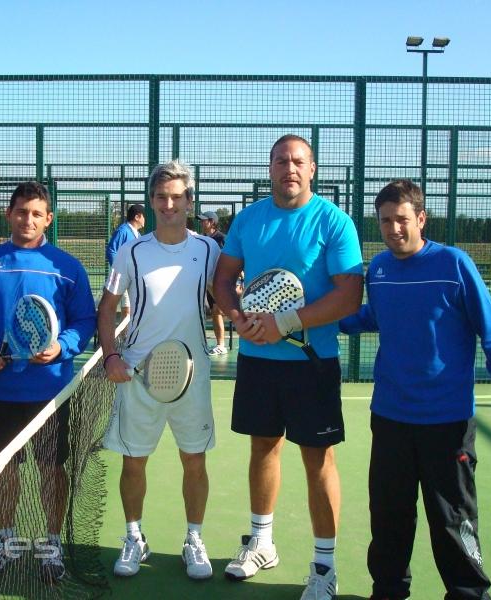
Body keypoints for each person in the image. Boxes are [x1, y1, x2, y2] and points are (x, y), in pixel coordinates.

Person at [339, 179, 491, 600]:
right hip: (389, 418)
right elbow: (374, 317)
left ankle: (468, 593)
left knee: (452, 517)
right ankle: (388, 591)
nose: (393, 229)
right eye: (385, 221)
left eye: (402, 220)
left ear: (421, 219)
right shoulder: (380, 270)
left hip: (446, 421)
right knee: (388, 515)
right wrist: (327, 318)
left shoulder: (455, 265)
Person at [213, 134, 363, 599]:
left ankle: (323, 567)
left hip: (312, 364)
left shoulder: (334, 223)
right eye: (281, 161)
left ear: (312, 169)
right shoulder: (249, 220)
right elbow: (223, 278)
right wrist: (237, 317)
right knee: (263, 447)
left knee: (319, 460)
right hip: (258, 362)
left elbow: (348, 294)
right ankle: (261, 543)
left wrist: (287, 321)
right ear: (270, 168)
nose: (289, 169)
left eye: (298, 161)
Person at [97, 160, 220, 580]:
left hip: (193, 377)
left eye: (177, 197)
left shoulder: (208, 249)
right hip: (137, 377)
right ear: (151, 202)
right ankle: (134, 537)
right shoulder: (131, 250)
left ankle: (194, 539)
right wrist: (112, 356)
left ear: (190, 200)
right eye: (161, 197)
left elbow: (224, 297)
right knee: (134, 464)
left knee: (195, 462)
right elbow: (108, 308)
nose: (169, 205)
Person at [0, 181, 96, 581]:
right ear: (8, 214)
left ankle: (51, 545)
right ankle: (5, 539)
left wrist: (63, 347)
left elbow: (85, 321)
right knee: (3, 470)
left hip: (51, 392)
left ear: (48, 219)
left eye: (37, 213)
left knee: (50, 469)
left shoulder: (67, 267)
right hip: (2, 390)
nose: (28, 219)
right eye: (21, 211)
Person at [106, 203, 146, 319]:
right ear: (137, 217)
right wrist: (121, 271)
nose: (145, 220)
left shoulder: (136, 234)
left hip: (134, 278)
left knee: (131, 309)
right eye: (144, 217)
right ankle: (123, 336)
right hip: (124, 277)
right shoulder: (123, 231)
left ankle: (125, 335)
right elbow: (111, 250)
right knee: (128, 310)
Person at [197, 210, 228, 355]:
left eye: (204, 220)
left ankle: (221, 345)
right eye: (201, 220)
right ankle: (218, 344)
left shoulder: (222, 238)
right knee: (215, 312)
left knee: (218, 311)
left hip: (221, 281)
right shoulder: (201, 240)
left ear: (212, 222)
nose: (202, 223)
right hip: (207, 281)